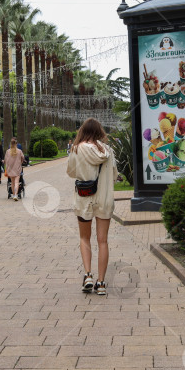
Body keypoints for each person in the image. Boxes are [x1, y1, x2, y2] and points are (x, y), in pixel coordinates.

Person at [66, 118, 118, 296]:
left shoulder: (76, 149)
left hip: (84, 198)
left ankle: (88, 275)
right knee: (103, 241)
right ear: (99, 132)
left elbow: (71, 172)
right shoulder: (108, 151)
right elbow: (114, 174)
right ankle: (101, 283)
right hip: (104, 199)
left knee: (84, 238)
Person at [4, 137, 25, 201]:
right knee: (17, 182)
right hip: (17, 168)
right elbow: (22, 158)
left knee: (12, 183)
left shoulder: (8, 151)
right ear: (16, 144)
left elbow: (5, 160)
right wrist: (20, 163)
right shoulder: (19, 151)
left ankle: (13, 194)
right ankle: (16, 194)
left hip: (10, 169)